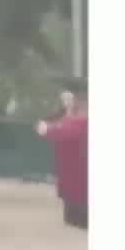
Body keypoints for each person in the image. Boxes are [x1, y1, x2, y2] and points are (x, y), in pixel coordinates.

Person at [37, 79, 89, 229]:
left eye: (68, 98)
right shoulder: (62, 114)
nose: (65, 101)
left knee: (79, 192)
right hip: (67, 160)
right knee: (70, 192)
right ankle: (74, 217)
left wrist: (49, 129)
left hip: (80, 160)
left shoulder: (82, 117)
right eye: (63, 98)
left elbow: (69, 129)